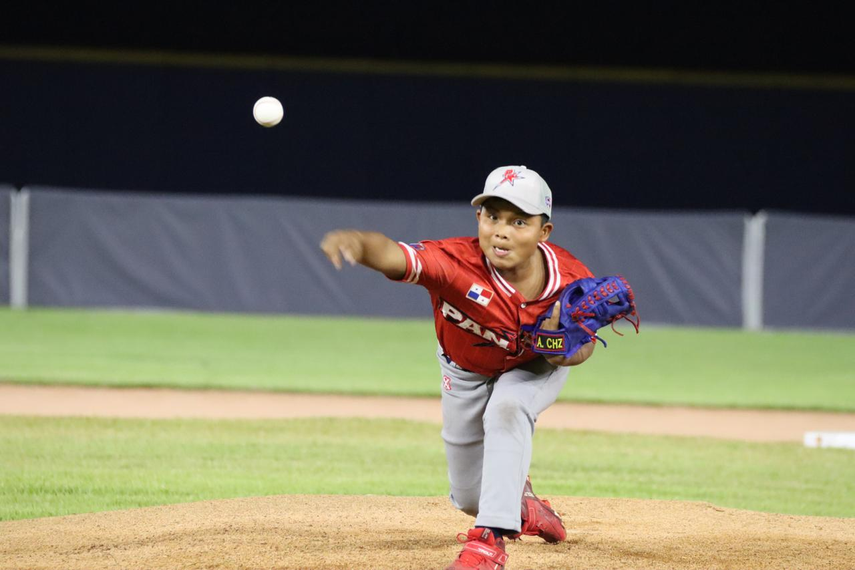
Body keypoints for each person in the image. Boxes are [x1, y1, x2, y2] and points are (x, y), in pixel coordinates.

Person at [320, 165, 595, 570]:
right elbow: (395, 254)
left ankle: (489, 543)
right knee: (469, 497)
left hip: (536, 367)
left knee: (507, 406)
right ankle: (522, 504)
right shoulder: (454, 263)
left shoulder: (569, 281)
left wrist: (555, 344)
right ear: (478, 219)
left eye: (519, 221)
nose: (501, 230)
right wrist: (360, 244)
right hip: (464, 369)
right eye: (492, 216)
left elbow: (582, 350)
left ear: (544, 232)